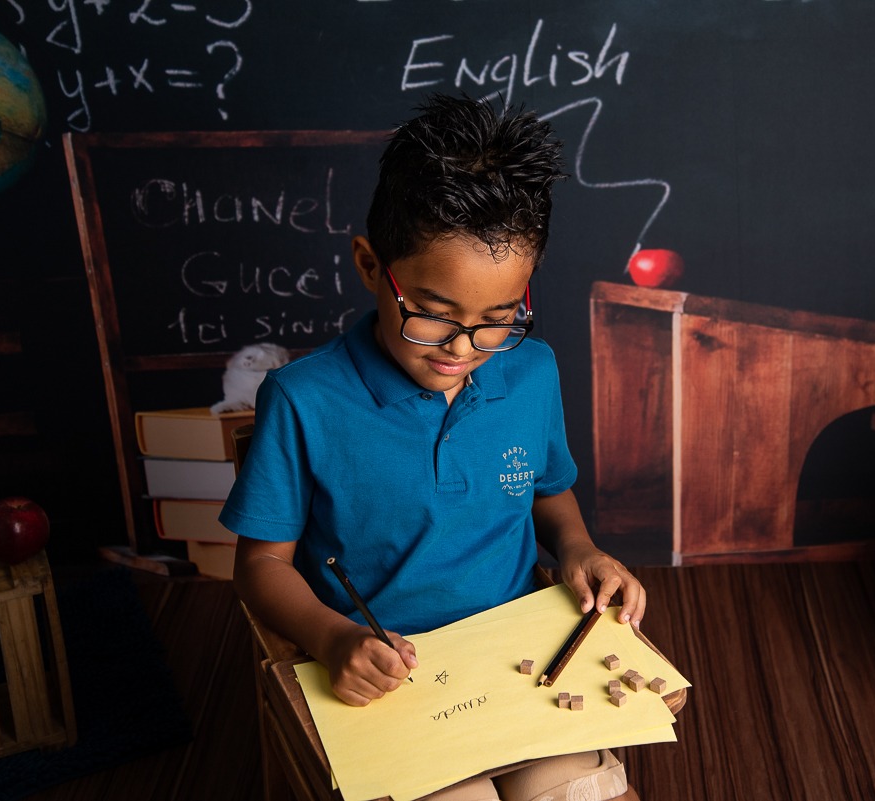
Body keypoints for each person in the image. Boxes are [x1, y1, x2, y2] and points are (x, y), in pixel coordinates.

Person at [222, 94, 645, 801]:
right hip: (390, 682)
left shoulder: (531, 371)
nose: (462, 348)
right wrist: (332, 640)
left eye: (498, 319)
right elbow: (260, 565)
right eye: (434, 315)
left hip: (520, 657)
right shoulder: (303, 399)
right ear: (368, 264)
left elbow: (547, 490)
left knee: (586, 792)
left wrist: (577, 547)